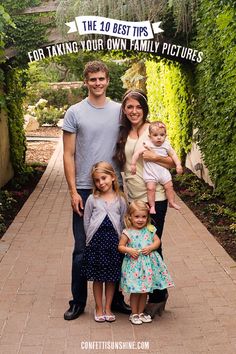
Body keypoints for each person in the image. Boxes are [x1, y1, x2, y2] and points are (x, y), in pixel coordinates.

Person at [62, 60, 130, 321]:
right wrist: (72, 191)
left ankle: (119, 300)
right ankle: (78, 302)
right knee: (82, 248)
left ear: (108, 80)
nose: (98, 83)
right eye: (93, 80)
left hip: (115, 189)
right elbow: (68, 154)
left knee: (119, 245)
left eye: (101, 79)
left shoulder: (118, 111)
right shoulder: (75, 112)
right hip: (84, 188)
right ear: (85, 81)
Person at [114, 89, 175, 318]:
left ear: (144, 108)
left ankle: (158, 295)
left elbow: (170, 161)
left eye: (138, 107)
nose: (134, 111)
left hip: (155, 198)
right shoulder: (123, 133)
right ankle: (136, 291)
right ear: (124, 110)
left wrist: (155, 157)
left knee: (153, 245)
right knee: (135, 244)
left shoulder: (154, 131)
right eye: (129, 107)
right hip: (133, 199)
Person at [81, 161, 127, 322]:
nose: (101, 183)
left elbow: (123, 221)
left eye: (104, 178)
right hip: (96, 244)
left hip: (113, 244)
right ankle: (99, 308)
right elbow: (86, 221)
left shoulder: (120, 200)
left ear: (113, 177)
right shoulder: (92, 199)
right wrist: (90, 239)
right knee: (98, 278)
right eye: (97, 180)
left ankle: (108, 307)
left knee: (111, 277)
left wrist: (122, 242)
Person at [118, 200, 174, 325]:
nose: (140, 220)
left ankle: (141, 312)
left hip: (147, 266)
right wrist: (129, 250)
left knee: (144, 291)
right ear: (130, 217)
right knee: (136, 291)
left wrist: (151, 247)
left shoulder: (150, 229)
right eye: (137, 216)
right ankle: (134, 313)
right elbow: (120, 246)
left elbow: (157, 241)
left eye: (143, 216)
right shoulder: (128, 232)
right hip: (134, 266)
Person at [130, 120, 183, 213]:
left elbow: (173, 155)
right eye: (155, 135)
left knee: (169, 186)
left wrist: (178, 165)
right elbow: (137, 153)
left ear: (165, 136)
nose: (159, 138)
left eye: (162, 135)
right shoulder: (148, 144)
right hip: (151, 173)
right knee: (151, 188)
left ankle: (171, 202)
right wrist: (133, 164)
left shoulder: (166, 145)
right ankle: (152, 206)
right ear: (150, 136)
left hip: (163, 172)